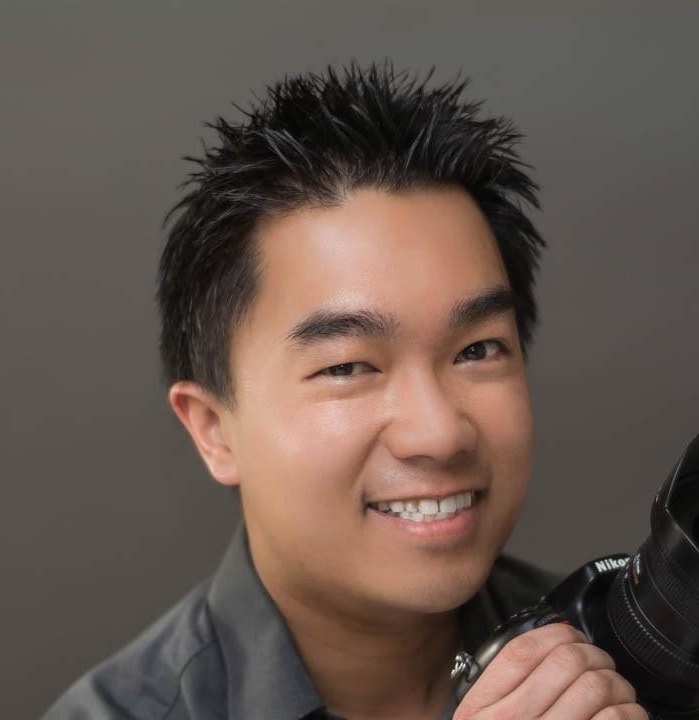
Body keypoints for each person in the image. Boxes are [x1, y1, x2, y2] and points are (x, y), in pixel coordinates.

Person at [44, 61, 647, 720]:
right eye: (348, 367)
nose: (439, 433)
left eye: (476, 350)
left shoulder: (628, 655)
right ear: (214, 430)